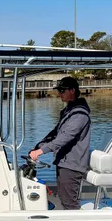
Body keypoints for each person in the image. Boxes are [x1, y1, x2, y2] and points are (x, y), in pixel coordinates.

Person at [29, 76, 91, 210]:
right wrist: (39, 145)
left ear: (72, 90)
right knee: (64, 199)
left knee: (69, 203)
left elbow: (65, 137)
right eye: (59, 90)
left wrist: (41, 151)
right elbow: (56, 132)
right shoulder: (69, 111)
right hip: (64, 162)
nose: (59, 94)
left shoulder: (80, 114)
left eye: (62, 91)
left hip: (72, 165)